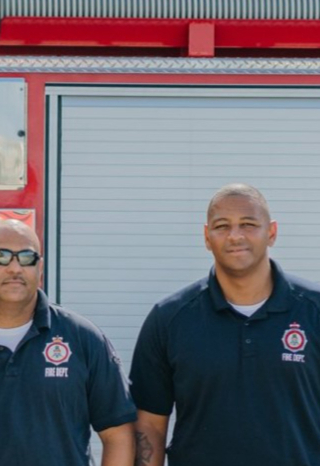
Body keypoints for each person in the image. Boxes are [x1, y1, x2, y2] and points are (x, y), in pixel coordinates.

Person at [130, 183, 320, 466]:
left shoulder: (313, 311)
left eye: (248, 224)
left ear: (272, 232)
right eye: (221, 226)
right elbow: (150, 427)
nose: (235, 236)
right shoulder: (169, 319)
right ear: (207, 237)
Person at [0, 220, 134, 466]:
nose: (15, 268)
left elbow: (118, 433)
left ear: (40, 267)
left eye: (27, 257)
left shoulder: (82, 338)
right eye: (1, 256)